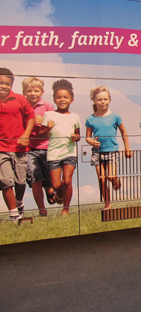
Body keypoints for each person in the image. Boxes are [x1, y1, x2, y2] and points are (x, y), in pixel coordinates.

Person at [85, 86, 133, 210]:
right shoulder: (90, 119)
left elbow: (124, 132)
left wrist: (127, 147)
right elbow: (88, 137)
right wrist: (92, 143)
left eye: (105, 99)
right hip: (97, 153)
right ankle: (107, 204)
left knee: (110, 177)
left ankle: (115, 180)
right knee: (102, 179)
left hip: (112, 151)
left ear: (109, 100)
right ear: (94, 100)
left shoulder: (115, 116)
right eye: (99, 99)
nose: (102, 102)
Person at [40, 79, 80, 216]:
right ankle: (58, 195)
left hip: (70, 152)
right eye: (59, 97)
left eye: (66, 97)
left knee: (67, 181)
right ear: (54, 100)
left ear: (71, 100)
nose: (62, 100)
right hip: (54, 153)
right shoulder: (49, 115)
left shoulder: (75, 117)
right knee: (56, 185)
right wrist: (48, 128)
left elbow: (78, 136)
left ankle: (66, 209)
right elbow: (42, 135)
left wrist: (75, 137)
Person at [0, 68, 35, 221]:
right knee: (6, 181)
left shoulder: (20, 99)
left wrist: (26, 135)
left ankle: (19, 202)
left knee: (20, 182)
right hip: (1, 148)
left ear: (11, 85)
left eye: (7, 84)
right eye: (0, 83)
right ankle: (14, 214)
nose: (3, 86)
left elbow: (31, 117)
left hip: (20, 147)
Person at [22, 77, 56, 217]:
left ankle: (49, 190)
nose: (33, 93)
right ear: (24, 92)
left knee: (49, 179)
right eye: (29, 90)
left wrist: (44, 121)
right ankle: (42, 209)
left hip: (47, 147)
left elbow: (55, 125)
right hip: (30, 149)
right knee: (35, 179)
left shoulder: (47, 105)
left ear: (42, 92)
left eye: (36, 90)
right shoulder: (22, 105)